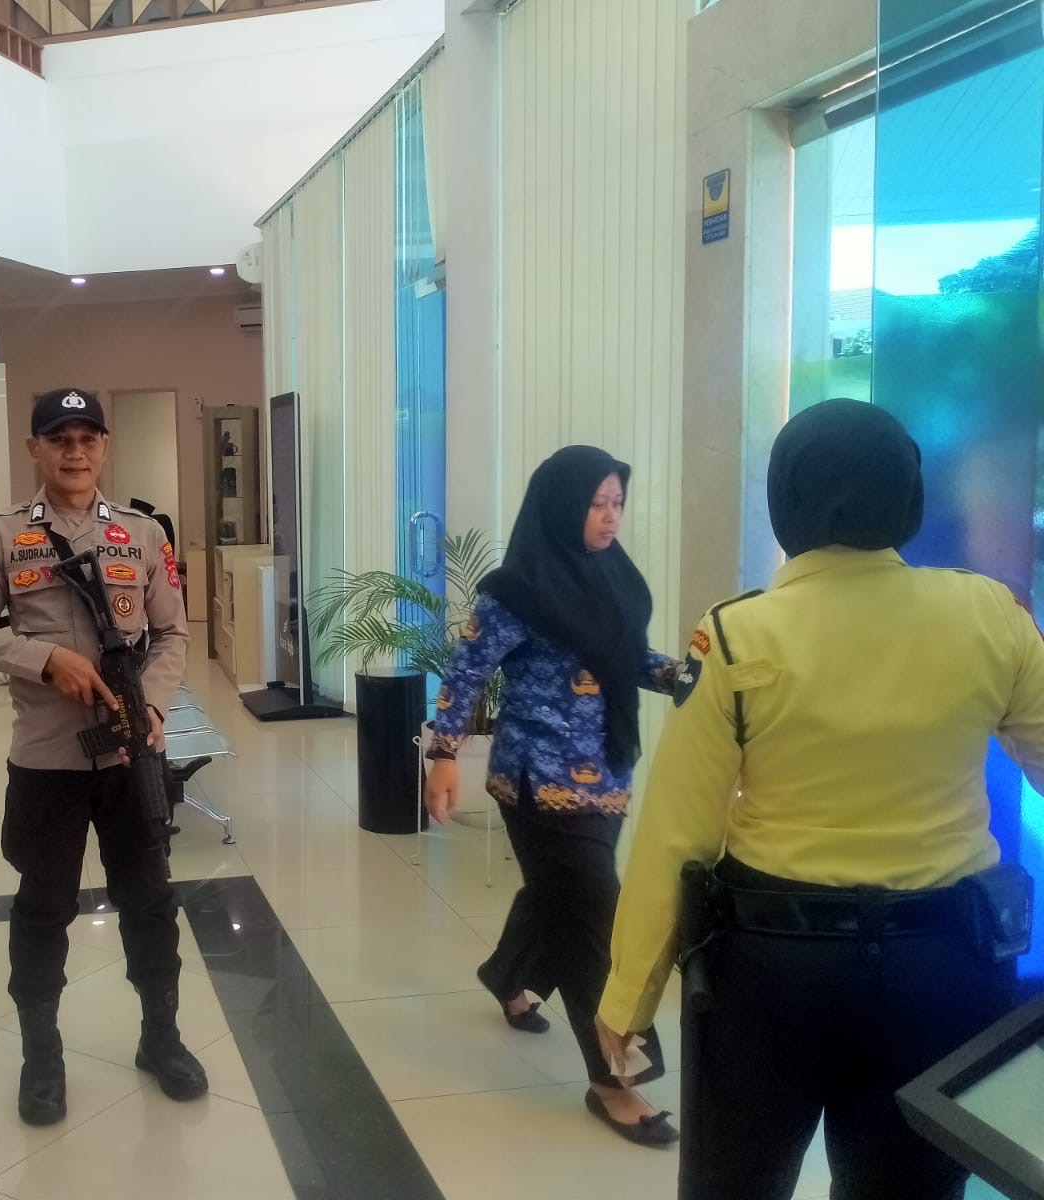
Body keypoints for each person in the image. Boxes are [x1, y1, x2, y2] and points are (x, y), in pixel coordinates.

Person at [597, 399, 1044, 1199]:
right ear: (909, 496)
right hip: (947, 965)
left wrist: (629, 994)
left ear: (785, 499)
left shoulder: (736, 634)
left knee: (736, 1183)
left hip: (773, 973)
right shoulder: (990, 615)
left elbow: (678, 832)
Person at [0, 386, 206, 1126]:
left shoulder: (142, 534)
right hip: (46, 761)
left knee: (150, 901)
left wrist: (151, 704)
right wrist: (43, 659)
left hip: (131, 759)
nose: (75, 451)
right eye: (59, 438)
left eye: (88, 438)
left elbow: (173, 633)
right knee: (43, 908)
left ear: (104, 448)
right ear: (34, 448)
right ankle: (42, 1057)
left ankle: (161, 1037)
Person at [424, 445, 682, 1147]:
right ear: (561, 507)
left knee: (557, 896)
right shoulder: (517, 590)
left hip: (608, 775)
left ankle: (506, 975)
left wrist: (686, 675)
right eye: (596, 504)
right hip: (537, 781)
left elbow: (626, 658)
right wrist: (442, 756)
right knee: (595, 917)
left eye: (617, 503)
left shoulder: (614, 576)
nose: (609, 517)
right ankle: (614, 1082)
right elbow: (466, 671)